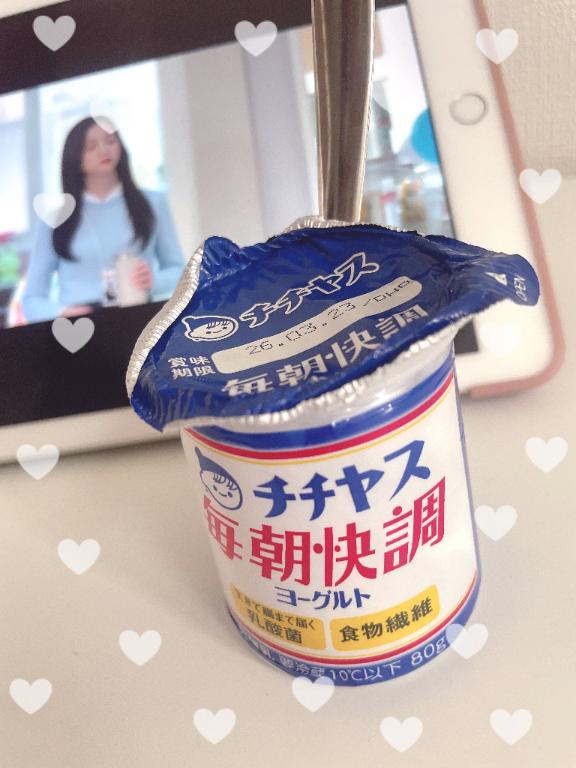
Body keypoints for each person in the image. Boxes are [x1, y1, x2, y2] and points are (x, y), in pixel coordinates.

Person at [22, 117, 186, 321]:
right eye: (91, 146)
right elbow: (32, 300)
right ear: (75, 157)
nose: (104, 150)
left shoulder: (153, 202)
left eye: (110, 141)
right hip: (81, 326)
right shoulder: (55, 216)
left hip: (141, 318)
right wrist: (62, 313)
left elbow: (180, 271)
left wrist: (154, 281)